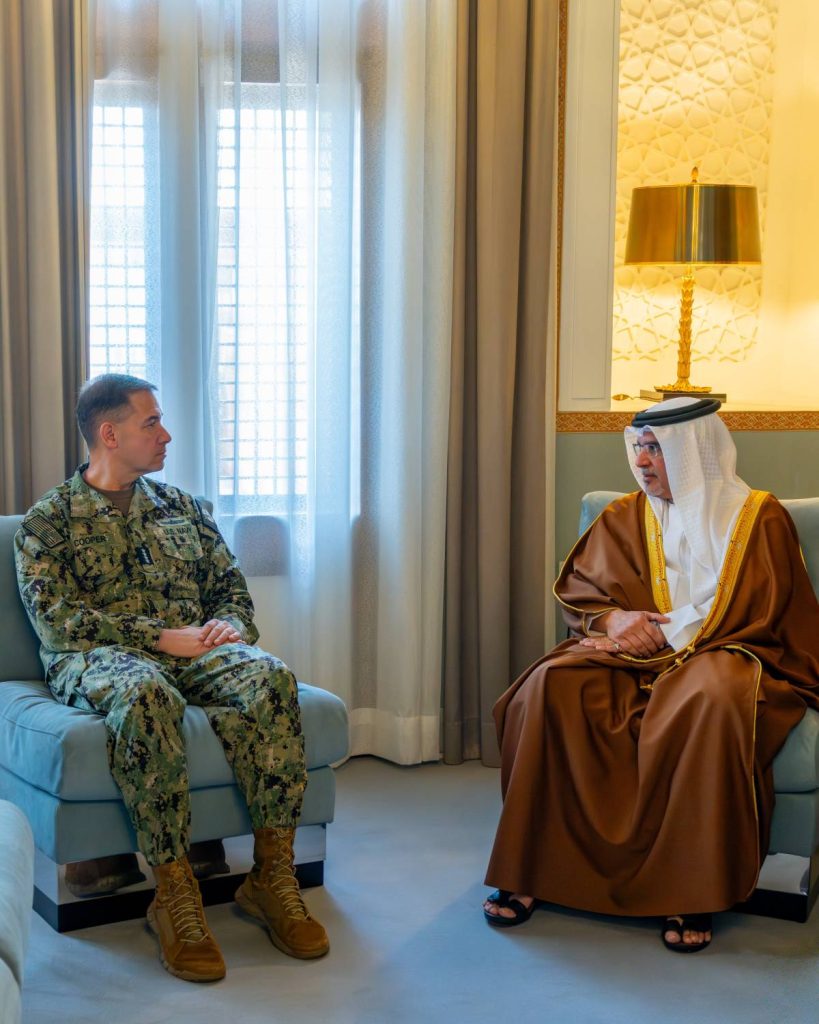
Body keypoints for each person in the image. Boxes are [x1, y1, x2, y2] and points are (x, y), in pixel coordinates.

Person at [15, 373, 329, 982]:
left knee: (270, 679)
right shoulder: (48, 522)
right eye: (151, 423)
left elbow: (231, 590)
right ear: (109, 434)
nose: (166, 435)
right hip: (100, 657)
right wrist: (159, 638)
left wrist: (227, 627)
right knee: (146, 695)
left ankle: (272, 877)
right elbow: (58, 622)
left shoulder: (183, 507)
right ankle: (174, 895)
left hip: (195, 649)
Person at [482, 396, 819, 952]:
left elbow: (764, 609)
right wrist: (614, 619)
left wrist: (670, 631)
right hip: (627, 650)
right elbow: (586, 593)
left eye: (657, 449)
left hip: (727, 648)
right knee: (549, 687)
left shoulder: (759, 517)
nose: (641, 461)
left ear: (694, 451)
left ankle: (688, 887)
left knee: (708, 701)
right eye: (638, 447)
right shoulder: (623, 515)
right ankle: (533, 868)